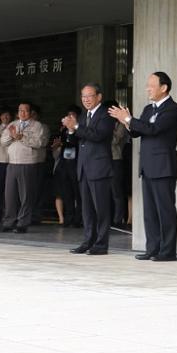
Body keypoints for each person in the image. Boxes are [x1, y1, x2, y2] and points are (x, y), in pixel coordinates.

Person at [109, 71, 177, 261]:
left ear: (163, 88)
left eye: (151, 85)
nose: (147, 88)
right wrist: (126, 122)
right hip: (147, 166)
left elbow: (154, 129)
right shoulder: (148, 109)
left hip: (164, 166)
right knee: (150, 211)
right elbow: (136, 132)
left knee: (165, 209)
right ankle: (153, 249)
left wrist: (128, 119)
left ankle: (167, 252)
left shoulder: (173, 109)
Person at [66, 84, 114, 255]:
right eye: (83, 96)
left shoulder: (105, 115)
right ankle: (88, 241)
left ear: (99, 97)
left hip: (99, 167)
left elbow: (98, 135)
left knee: (101, 208)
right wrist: (71, 131)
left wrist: (77, 127)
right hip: (84, 168)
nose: (86, 99)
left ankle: (101, 244)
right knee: (86, 208)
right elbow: (75, 142)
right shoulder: (84, 115)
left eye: (89, 96)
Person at [0, 102, 47, 233]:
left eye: (25, 110)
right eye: (20, 110)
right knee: (9, 194)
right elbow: (3, 141)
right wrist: (12, 136)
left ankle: (22, 223)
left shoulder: (37, 126)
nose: (22, 113)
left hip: (27, 163)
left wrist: (21, 137)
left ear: (31, 112)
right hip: (12, 163)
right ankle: (9, 222)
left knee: (26, 195)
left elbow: (39, 142)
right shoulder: (12, 124)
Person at [53, 105, 82, 227]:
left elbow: (76, 143)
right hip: (64, 164)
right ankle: (68, 218)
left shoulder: (81, 129)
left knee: (78, 193)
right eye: (68, 115)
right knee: (66, 193)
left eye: (72, 115)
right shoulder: (62, 130)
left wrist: (72, 131)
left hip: (76, 164)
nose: (70, 117)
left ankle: (78, 219)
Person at [106, 99, 129, 229]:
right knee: (106, 190)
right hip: (105, 159)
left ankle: (118, 218)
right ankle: (107, 218)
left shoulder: (120, 123)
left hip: (116, 158)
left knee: (116, 191)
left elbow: (115, 140)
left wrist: (106, 129)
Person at [30, 106, 52, 224]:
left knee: (38, 190)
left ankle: (36, 215)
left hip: (38, 161)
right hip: (26, 162)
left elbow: (41, 143)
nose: (31, 116)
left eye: (33, 114)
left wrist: (27, 140)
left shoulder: (44, 127)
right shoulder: (24, 126)